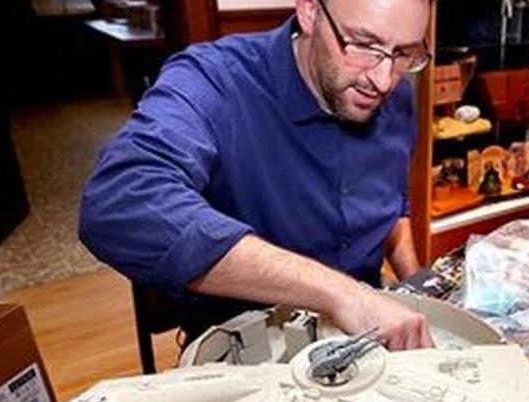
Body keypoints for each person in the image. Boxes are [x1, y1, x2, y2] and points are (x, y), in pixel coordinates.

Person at [79, 0, 434, 349]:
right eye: (363, 45)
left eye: (404, 53)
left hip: (367, 341)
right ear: (309, 10)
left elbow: (390, 208)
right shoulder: (215, 80)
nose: (383, 80)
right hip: (248, 356)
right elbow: (120, 203)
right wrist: (343, 295)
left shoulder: (397, 97)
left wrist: (416, 284)